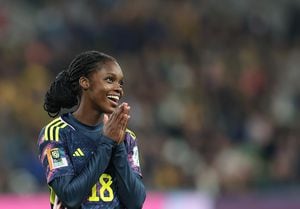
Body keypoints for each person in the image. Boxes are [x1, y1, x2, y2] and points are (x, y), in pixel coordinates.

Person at [37, 50, 146, 209]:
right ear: (85, 82)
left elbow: (136, 202)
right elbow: (70, 197)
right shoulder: (57, 133)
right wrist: (107, 143)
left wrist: (118, 146)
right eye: (110, 80)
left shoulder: (126, 137)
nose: (119, 89)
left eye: (121, 83)